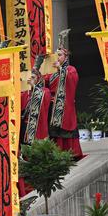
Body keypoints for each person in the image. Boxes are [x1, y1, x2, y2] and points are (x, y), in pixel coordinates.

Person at [45, 31, 83, 159]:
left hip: (65, 105)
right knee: (54, 131)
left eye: (60, 55)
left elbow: (71, 79)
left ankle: (72, 153)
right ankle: (56, 154)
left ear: (65, 57)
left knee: (66, 128)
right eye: (57, 55)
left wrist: (61, 70)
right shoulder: (51, 73)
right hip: (52, 105)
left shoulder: (70, 70)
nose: (58, 57)